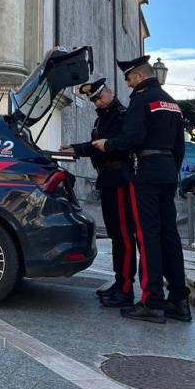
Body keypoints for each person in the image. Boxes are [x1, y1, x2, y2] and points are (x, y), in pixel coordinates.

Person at [94, 55, 191, 324]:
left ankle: (151, 301)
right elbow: (179, 145)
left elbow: (132, 137)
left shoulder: (141, 99)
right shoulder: (171, 101)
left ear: (138, 76)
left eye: (127, 78)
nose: (126, 83)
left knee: (148, 237)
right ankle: (179, 301)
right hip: (168, 171)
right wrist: (171, 169)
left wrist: (108, 145)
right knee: (170, 236)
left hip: (146, 173)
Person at [61, 79, 136, 308]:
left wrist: (79, 149)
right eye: (93, 99)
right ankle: (119, 282)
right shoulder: (103, 117)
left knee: (124, 236)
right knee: (115, 236)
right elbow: (96, 144)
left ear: (109, 93)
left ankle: (126, 289)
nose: (95, 101)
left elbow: (109, 145)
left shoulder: (121, 115)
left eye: (98, 97)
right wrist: (75, 148)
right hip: (108, 179)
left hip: (120, 179)